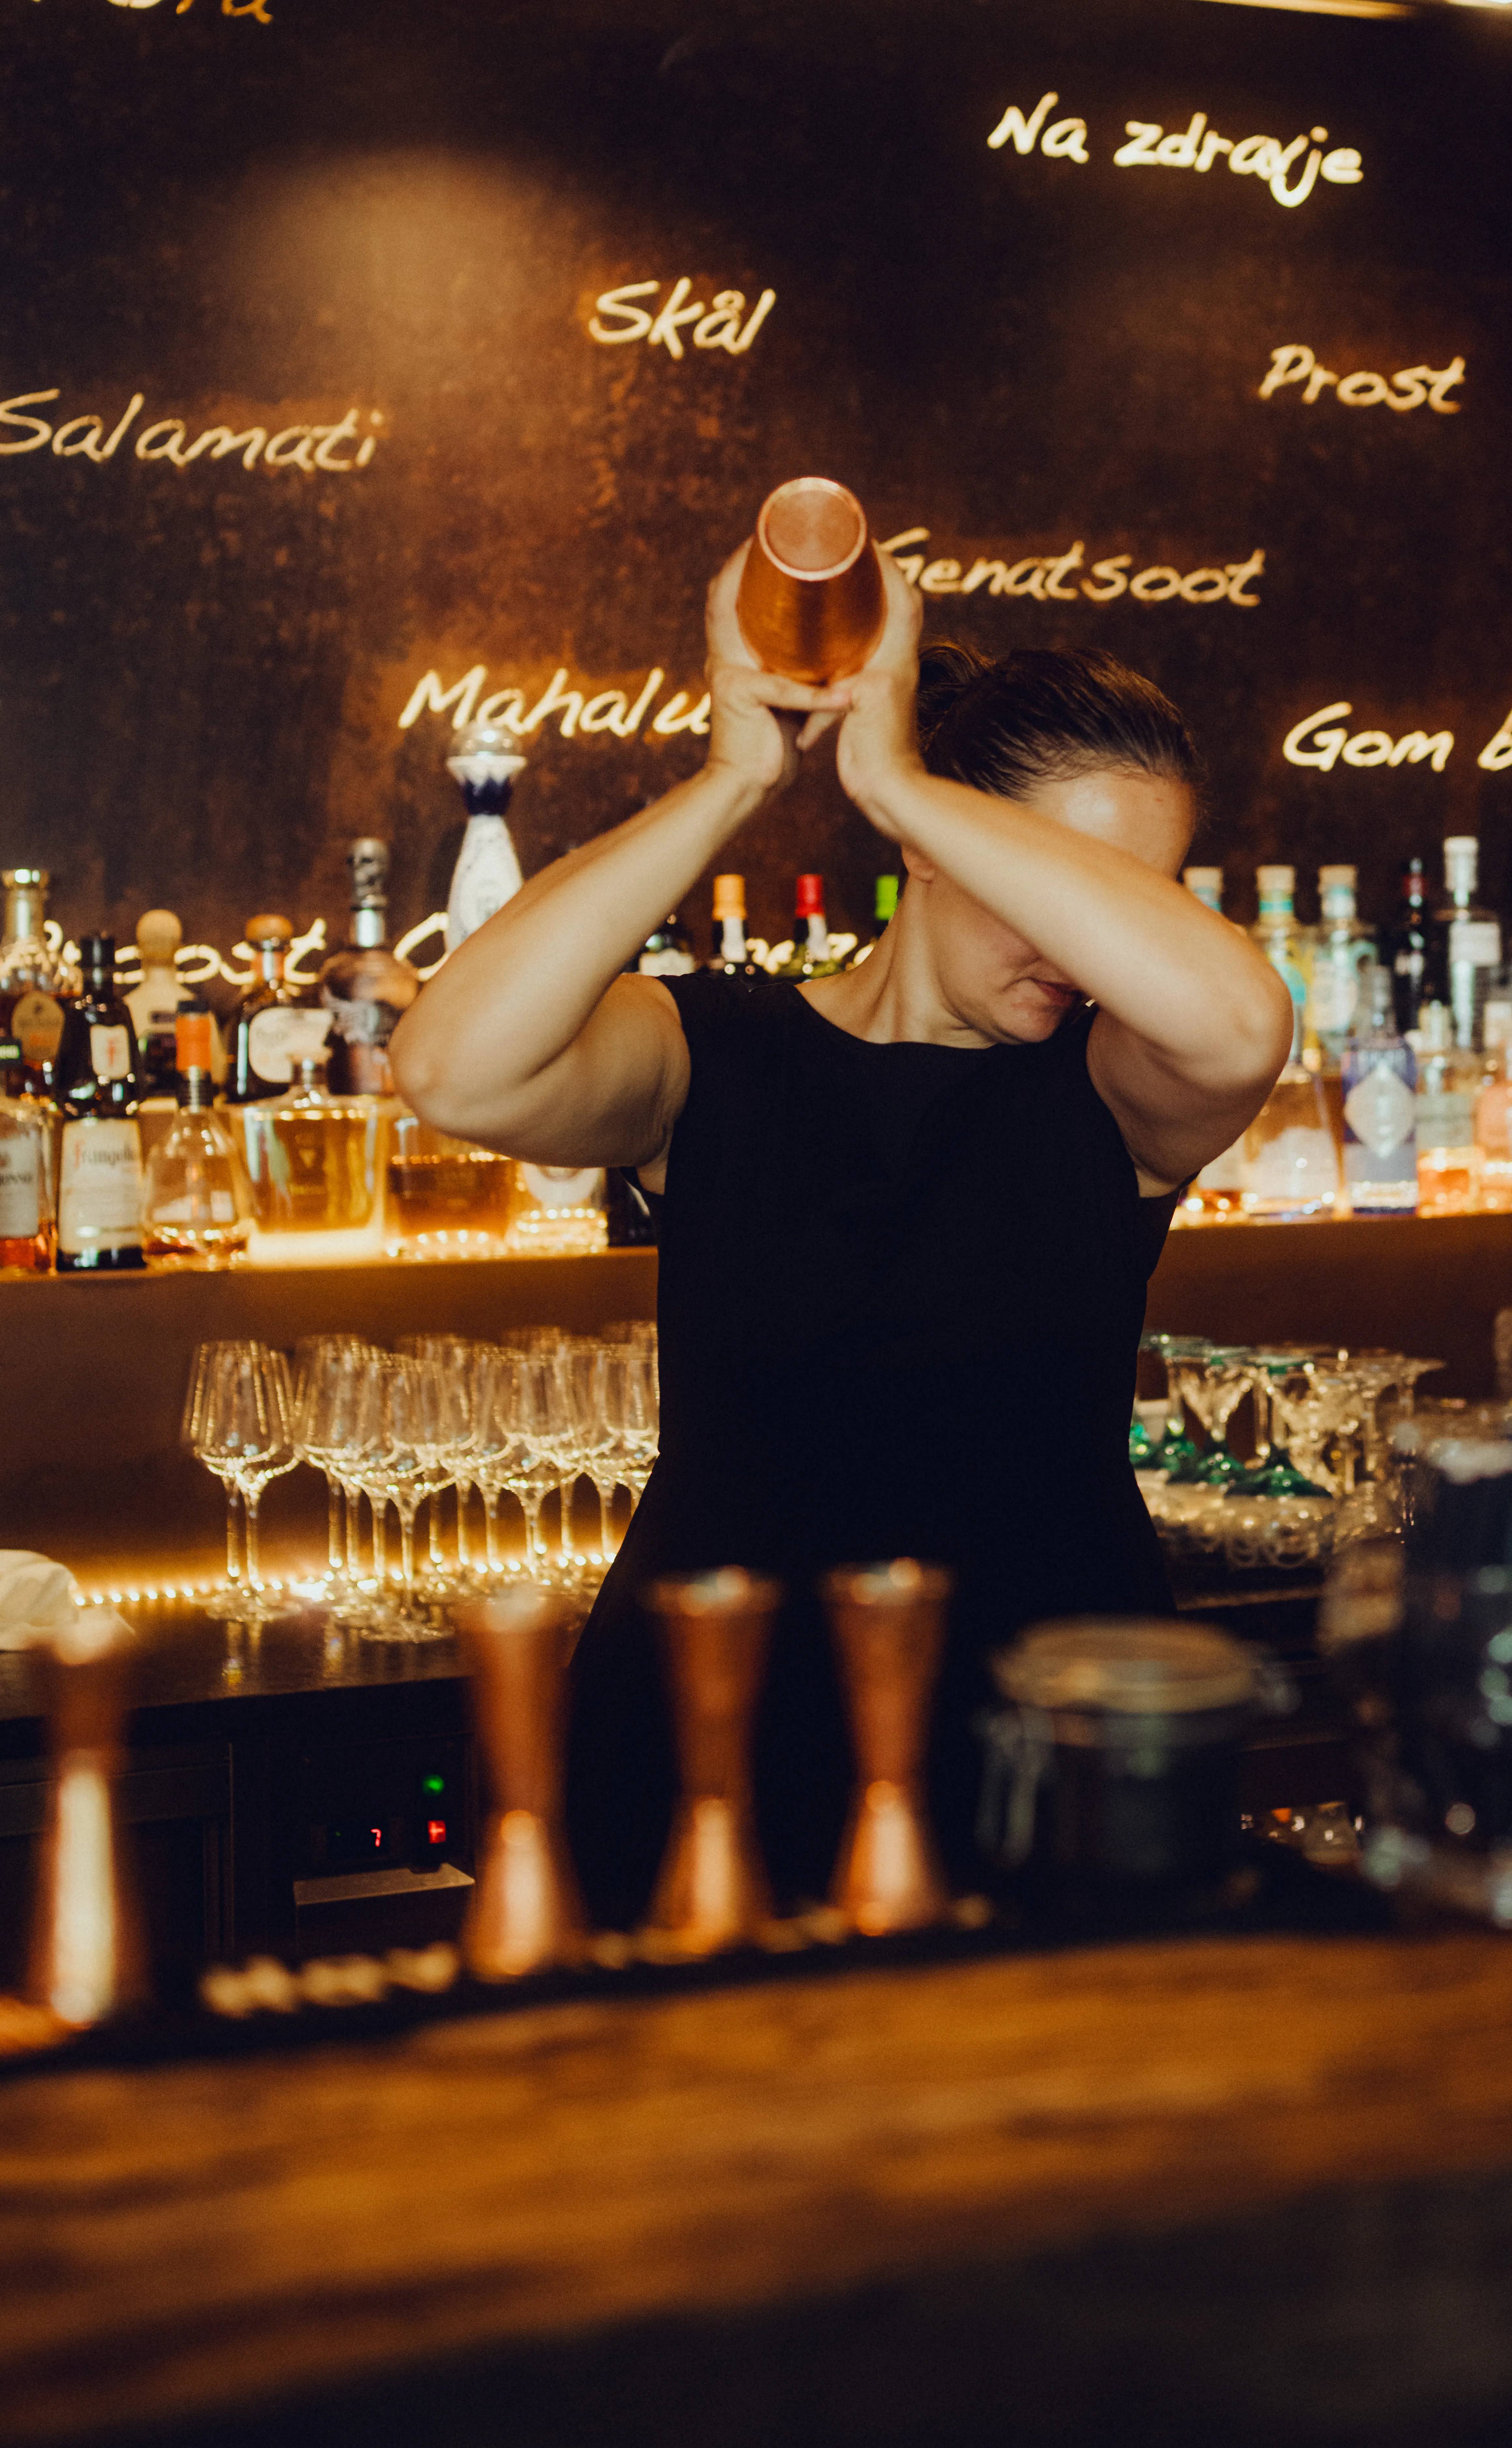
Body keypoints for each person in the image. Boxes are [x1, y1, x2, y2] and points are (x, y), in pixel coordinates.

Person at [392, 544, 1291, 1919]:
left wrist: (897, 777)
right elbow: (455, 1067)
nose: (1085, 943)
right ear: (925, 850)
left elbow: (1239, 1020)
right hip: (710, 1740)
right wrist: (731, 781)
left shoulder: (1120, 1096)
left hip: (1051, 1751)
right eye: (1057, 876)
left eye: (1138, 899)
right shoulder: (709, 1054)